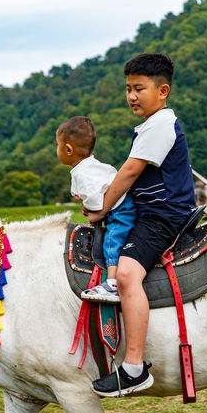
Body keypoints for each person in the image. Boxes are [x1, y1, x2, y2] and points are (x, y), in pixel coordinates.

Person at [86, 53, 196, 397]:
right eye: (128, 89)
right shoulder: (150, 125)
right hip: (150, 211)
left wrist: (101, 208)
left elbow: (130, 172)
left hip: (164, 215)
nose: (132, 96)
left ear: (163, 91)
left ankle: (133, 368)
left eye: (140, 88)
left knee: (127, 275)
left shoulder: (161, 125)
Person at [55, 116, 136, 303]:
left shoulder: (84, 173)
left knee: (112, 241)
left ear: (68, 149)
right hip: (119, 204)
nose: (56, 150)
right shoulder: (87, 166)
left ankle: (113, 283)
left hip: (122, 209)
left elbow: (94, 199)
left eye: (57, 146)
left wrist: (89, 210)